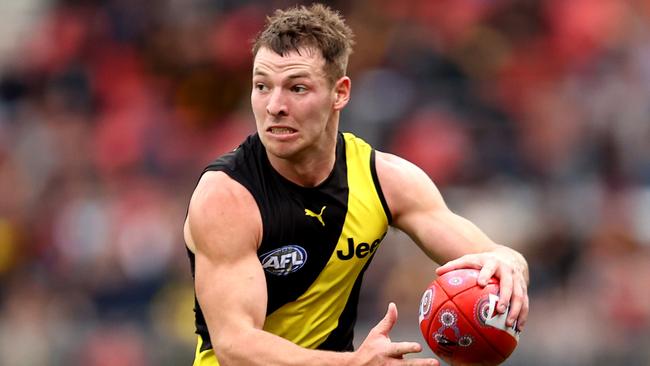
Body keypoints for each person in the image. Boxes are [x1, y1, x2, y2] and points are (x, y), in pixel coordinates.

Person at [184, 4, 529, 366]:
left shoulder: (385, 180)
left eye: (297, 87)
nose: (274, 106)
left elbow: (496, 256)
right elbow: (235, 347)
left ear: (340, 93)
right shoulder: (226, 197)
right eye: (261, 86)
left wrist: (509, 268)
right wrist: (351, 364)